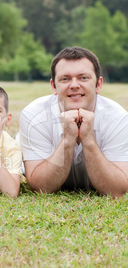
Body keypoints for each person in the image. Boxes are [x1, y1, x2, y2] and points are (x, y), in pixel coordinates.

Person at [19, 46, 128, 197]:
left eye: (83, 78)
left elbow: (116, 191)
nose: (75, 85)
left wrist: (88, 140)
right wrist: (68, 139)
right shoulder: (33, 116)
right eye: (65, 79)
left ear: (99, 84)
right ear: (53, 86)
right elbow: (41, 187)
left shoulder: (119, 118)